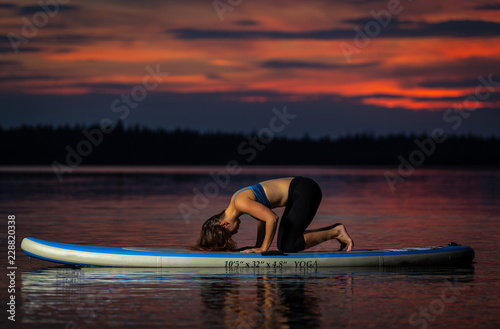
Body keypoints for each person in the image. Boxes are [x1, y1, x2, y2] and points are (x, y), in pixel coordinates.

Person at [191, 177, 354, 253]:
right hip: (300, 191)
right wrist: (256, 246)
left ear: (224, 224)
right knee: (286, 244)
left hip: (304, 191)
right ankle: (335, 232)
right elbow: (262, 220)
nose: (236, 232)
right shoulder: (237, 202)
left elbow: (271, 218)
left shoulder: (240, 203)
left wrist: (263, 248)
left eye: (230, 233)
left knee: (288, 246)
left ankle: (336, 231)